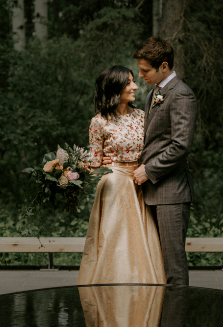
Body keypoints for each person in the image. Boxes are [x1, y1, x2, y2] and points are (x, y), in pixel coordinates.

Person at [78, 65, 166, 285]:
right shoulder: (98, 122)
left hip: (140, 183)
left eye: (133, 80)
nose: (135, 86)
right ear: (115, 87)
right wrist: (89, 164)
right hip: (114, 186)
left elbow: (154, 148)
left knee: (140, 244)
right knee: (116, 244)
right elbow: (94, 161)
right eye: (128, 82)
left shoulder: (142, 116)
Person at [132, 37, 196, 286]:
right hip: (151, 192)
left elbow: (181, 145)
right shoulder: (154, 94)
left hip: (171, 193)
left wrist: (148, 170)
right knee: (154, 265)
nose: (140, 75)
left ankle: (174, 323)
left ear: (164, 66)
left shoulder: (182, 95)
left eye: (145, 70)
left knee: (173, 267)